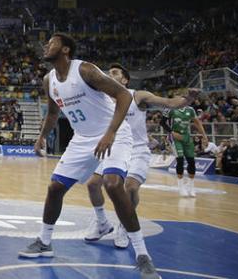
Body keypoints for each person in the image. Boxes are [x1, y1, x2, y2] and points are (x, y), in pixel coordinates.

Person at [18, 34, 160, 279]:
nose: (45, 46)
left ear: (65, 49)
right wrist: (41, 137)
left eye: (50, 43)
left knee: (113, 184)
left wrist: (111, 132)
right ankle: (45, 241)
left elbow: (124, 95)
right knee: (55, 187)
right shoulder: (48, 80)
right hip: (82, 139)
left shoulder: (85, 70)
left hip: (112, 133)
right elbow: (53, 113)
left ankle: (142, 255)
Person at [84, 63, 198, 248]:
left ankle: (124, 225)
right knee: (92, 184)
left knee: (129, 187)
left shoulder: (137, 95)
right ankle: (102, 223)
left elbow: (168, 103)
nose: (109, 75)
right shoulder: (101, 98)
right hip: (113, 149)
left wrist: (187, 99)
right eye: (108, 73)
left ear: (125, 79)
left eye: (114, 73)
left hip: (136, 150)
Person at [162, 103, 208, 196]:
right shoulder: (170, 108)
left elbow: (197, 122)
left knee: (191, 161)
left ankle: (191, 186)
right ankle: (181, 187)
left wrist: (204, 136)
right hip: (175, 137)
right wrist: (172, 132)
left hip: (186, 137)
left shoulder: (190, 109)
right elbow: (162, 122)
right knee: (180, 160)